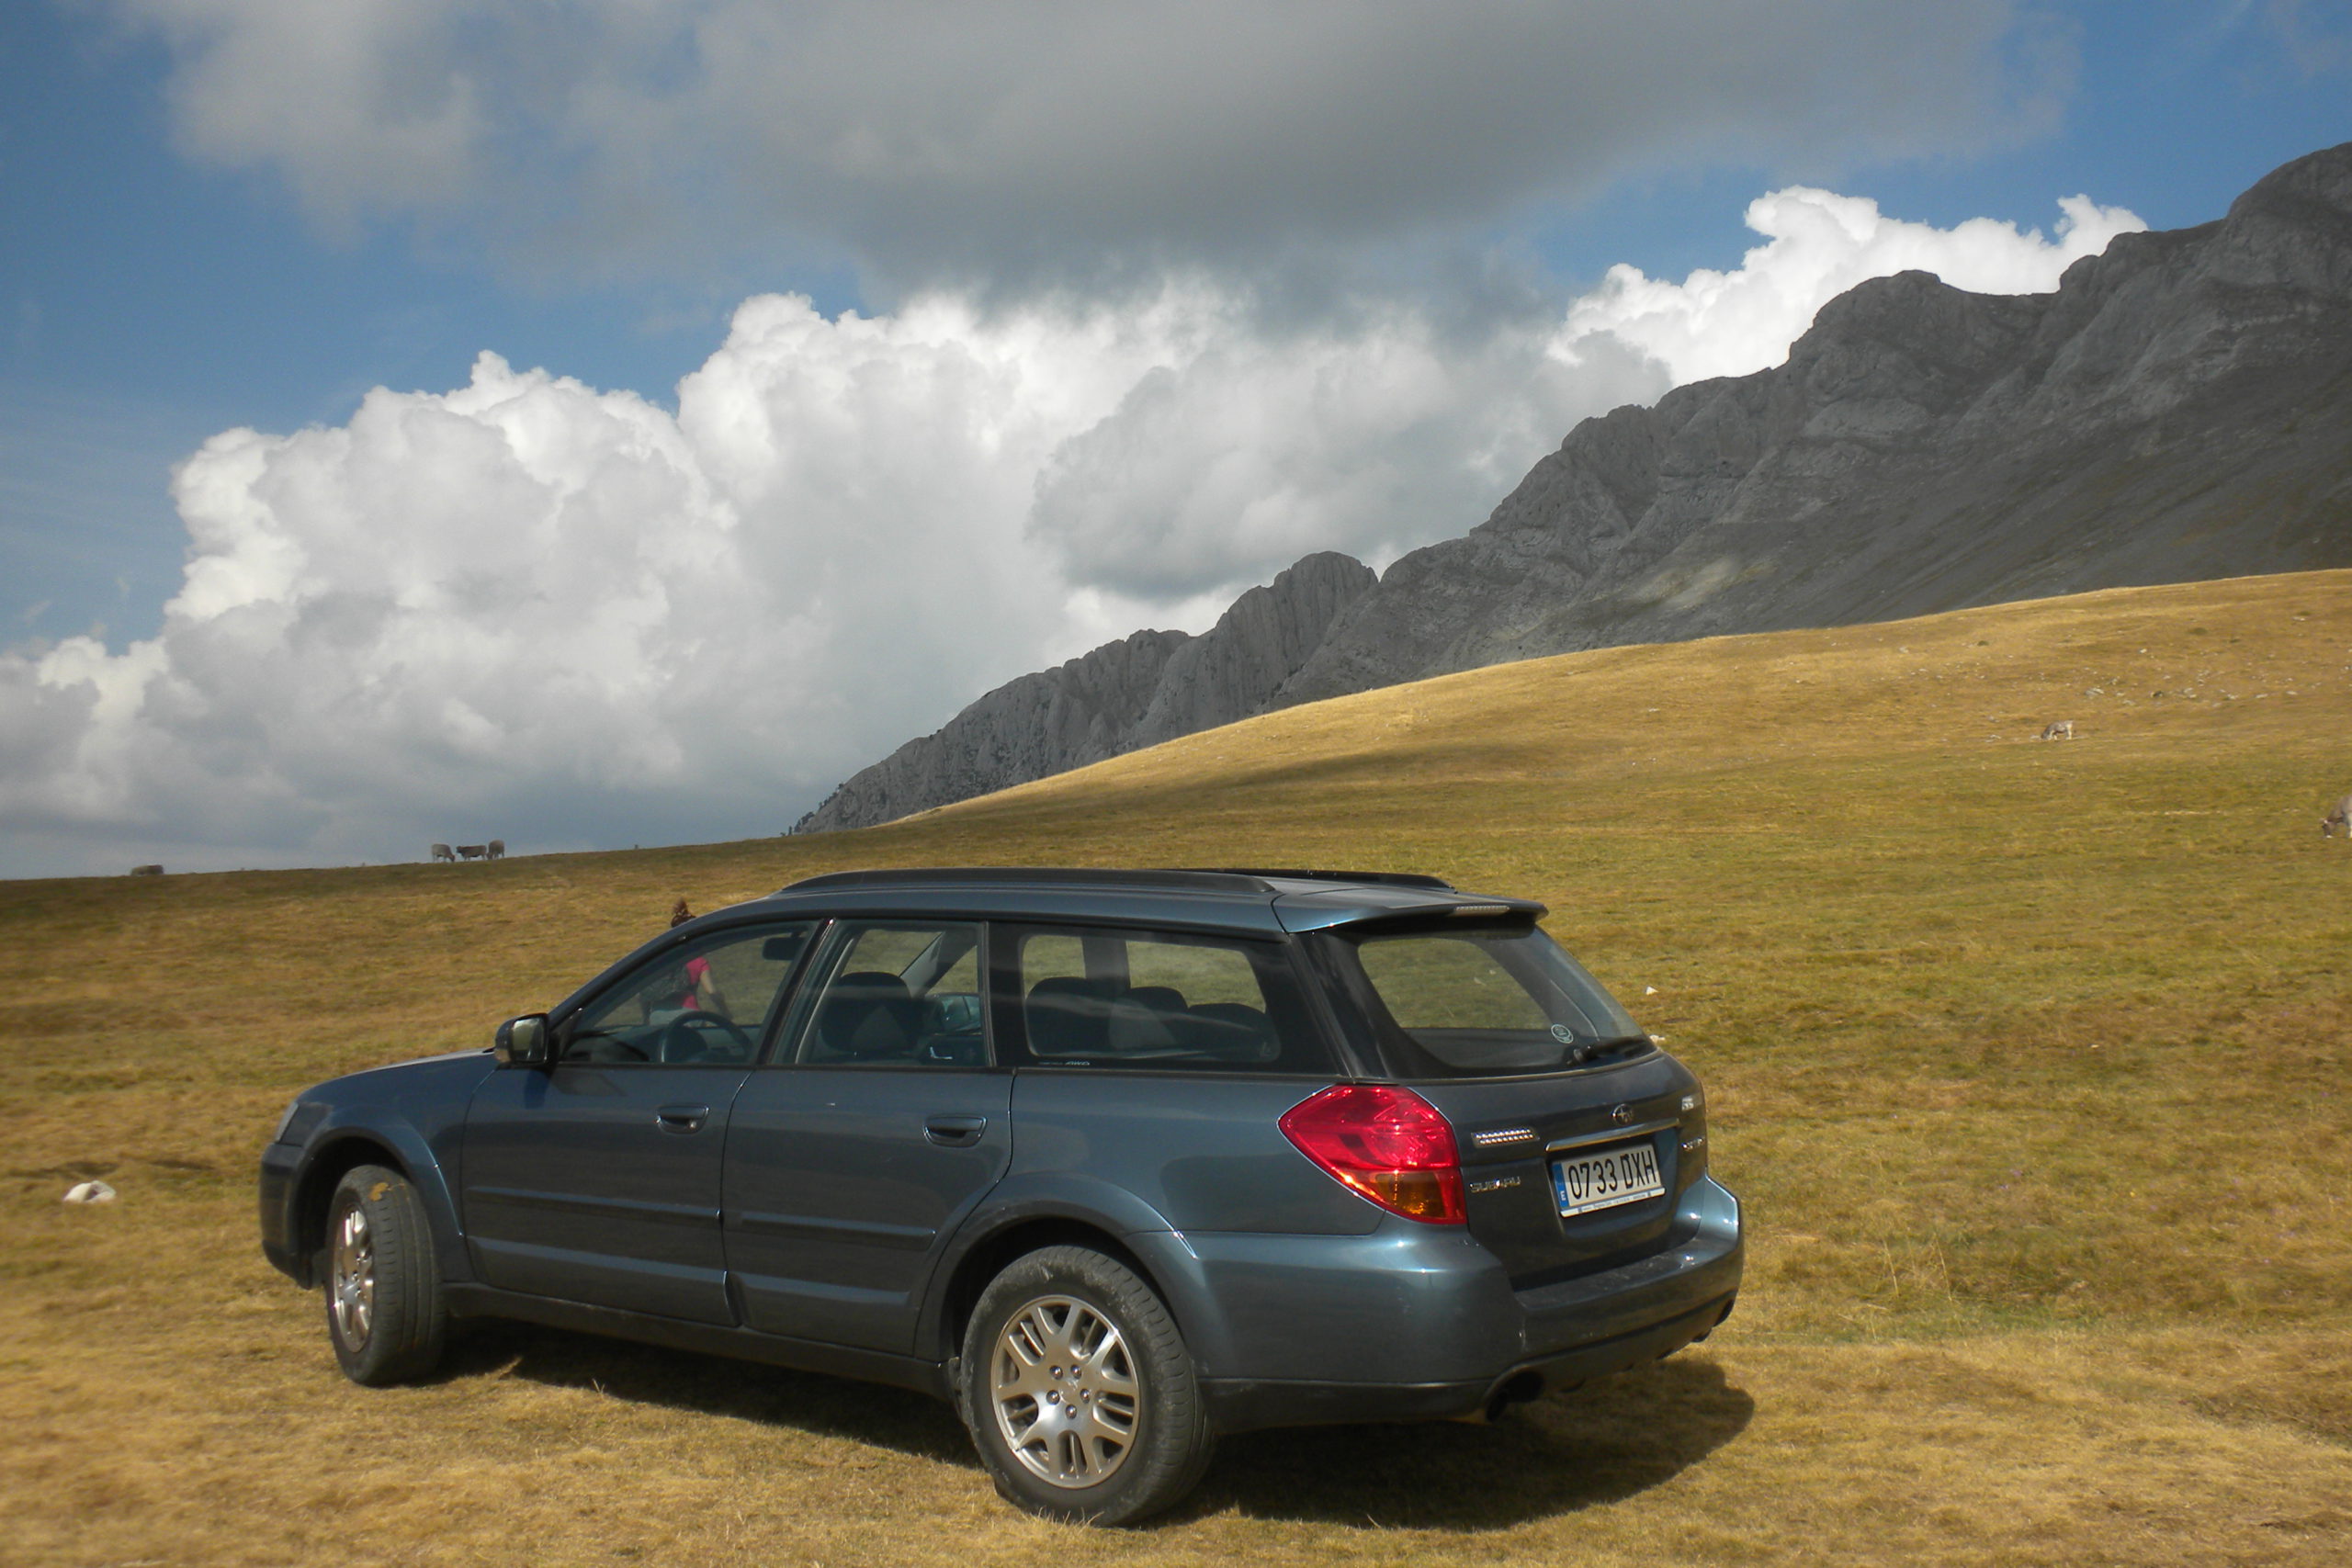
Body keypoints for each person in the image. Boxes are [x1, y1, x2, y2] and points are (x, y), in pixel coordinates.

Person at [660, 899, 731, 1018]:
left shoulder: (662, 959)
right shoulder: (699, 962)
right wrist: (725, 1011)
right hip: (688, 1015)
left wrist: (647, 1017)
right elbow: (712, 992)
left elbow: (647, 994)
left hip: (659, 1014)